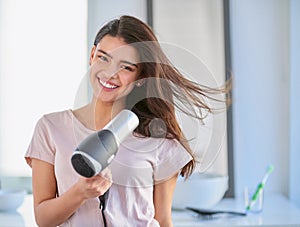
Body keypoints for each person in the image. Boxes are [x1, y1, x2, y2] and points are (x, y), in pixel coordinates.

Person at [25, 15, 228, 227]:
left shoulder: (158, 140)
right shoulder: (51, 128)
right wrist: (79, 193)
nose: (111, 73)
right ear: (92, 55)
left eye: (126, 67)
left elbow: (164, 219)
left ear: (140, 78)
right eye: (104, 58)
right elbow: (43, 219)